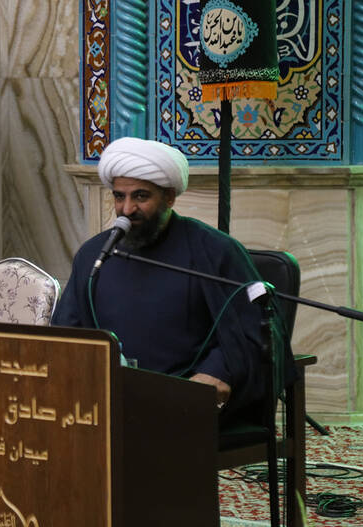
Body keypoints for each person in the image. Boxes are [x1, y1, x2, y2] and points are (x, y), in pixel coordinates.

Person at [51, 137, 285, 420]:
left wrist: (217, 371)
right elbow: (67, 331)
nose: (127, 209)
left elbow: (251, 330)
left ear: (169, 197)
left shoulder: (214, 250)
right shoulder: (94, 255)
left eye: (141, 196)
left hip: (187, 399)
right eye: (119, 197)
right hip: (107, 398)